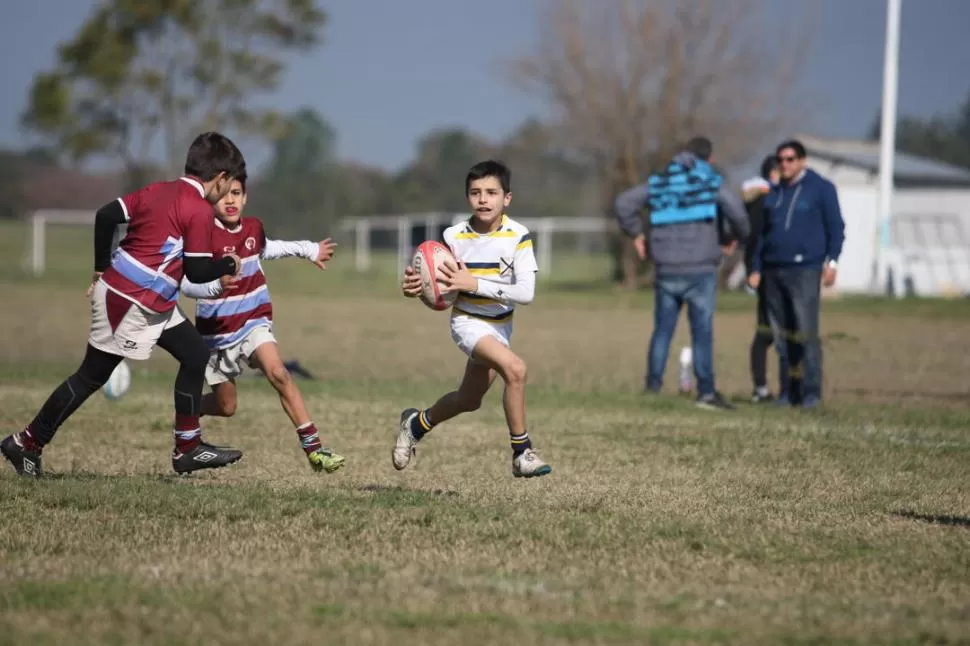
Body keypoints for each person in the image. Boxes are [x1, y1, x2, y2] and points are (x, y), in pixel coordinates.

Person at [2, 132, 247, 477]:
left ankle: (188, 448)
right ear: (220, 178)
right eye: (229, 184)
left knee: (194, 354)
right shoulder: (199, 210)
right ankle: (26, 442)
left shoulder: (157, 190)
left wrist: (100, 267)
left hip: (147, 298)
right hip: (131, 301)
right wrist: (227, 264)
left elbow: (105, 216)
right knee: (91, 376)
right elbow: (197, 269)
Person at [394, 160, 552, 478]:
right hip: (467, 322)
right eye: (475, 192)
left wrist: (474, 283)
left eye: (491, 192)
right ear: (467, 197)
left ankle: (416, 424)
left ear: (507, 198)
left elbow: (526, 293)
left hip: (500, 327)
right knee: (516, 370)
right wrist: (415, 287)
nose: (483, 199)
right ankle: (522, 453)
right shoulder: (453, 237)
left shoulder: (519, 235)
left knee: (469, 400)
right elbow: (436, 288)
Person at [179, 177, 346, 473]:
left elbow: (270, 249)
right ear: (209, 199)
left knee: (279, 373)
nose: (230, 201)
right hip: (216, 336)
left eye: (236, 193)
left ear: (245, 197)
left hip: (253, 323)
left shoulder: (253, 228)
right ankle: (186, 412)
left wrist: (309, 250)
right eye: (222, 195)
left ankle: (315, 449)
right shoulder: (201, 235)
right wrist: (216, 284)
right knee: (226, 407)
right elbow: (187, 284)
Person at [613, 136, 749, 410]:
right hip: (700, 269)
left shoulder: (662, 181)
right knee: (701, 332)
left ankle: (653, 389)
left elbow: (624, 203)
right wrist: (734, 236)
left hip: (666, 268)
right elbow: (737, 211)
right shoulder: (709, 181)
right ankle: (706, 394)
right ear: (708, 159)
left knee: (663, 331)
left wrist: (637, 234)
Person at [748, 139, 846, 409]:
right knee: (782, 338)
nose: (785, 164)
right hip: (773, 270)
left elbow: (836, 227)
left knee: (805, 334)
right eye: (781, 160)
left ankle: (810, 393)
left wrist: (832, 262)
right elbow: (762, 234)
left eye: (791, 159)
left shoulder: (821, 189)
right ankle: (787, 392)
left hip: (804, 270)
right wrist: (756, 267)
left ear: (802, 161)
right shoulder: (774, 193)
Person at [742, 155, 789, 403]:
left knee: (772, 331)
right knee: (767, 332)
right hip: (766, 274)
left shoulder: (773, 198)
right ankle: (762, 388)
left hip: (776, 272)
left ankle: (774, 387)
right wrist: (753, 269)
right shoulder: (764, 201)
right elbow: (754, 239)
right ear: (773, 173)